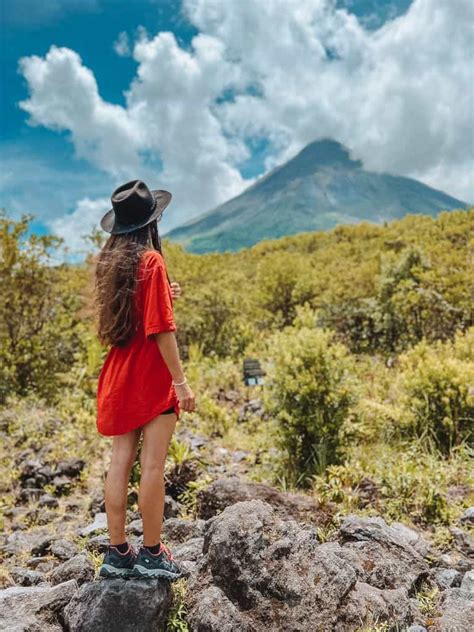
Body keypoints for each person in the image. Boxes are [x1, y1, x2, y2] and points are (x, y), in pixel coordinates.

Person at [94, 179, 196, 579]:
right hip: (151, 378)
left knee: (120, 462)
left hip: (119, 376)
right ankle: (153, 555)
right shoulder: (151, 261)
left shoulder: (112, 264)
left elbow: (135, 314)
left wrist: (164, 292)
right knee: (153, 467)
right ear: (151, 221)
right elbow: (160, 329)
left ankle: (118, 553)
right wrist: (181, 382)